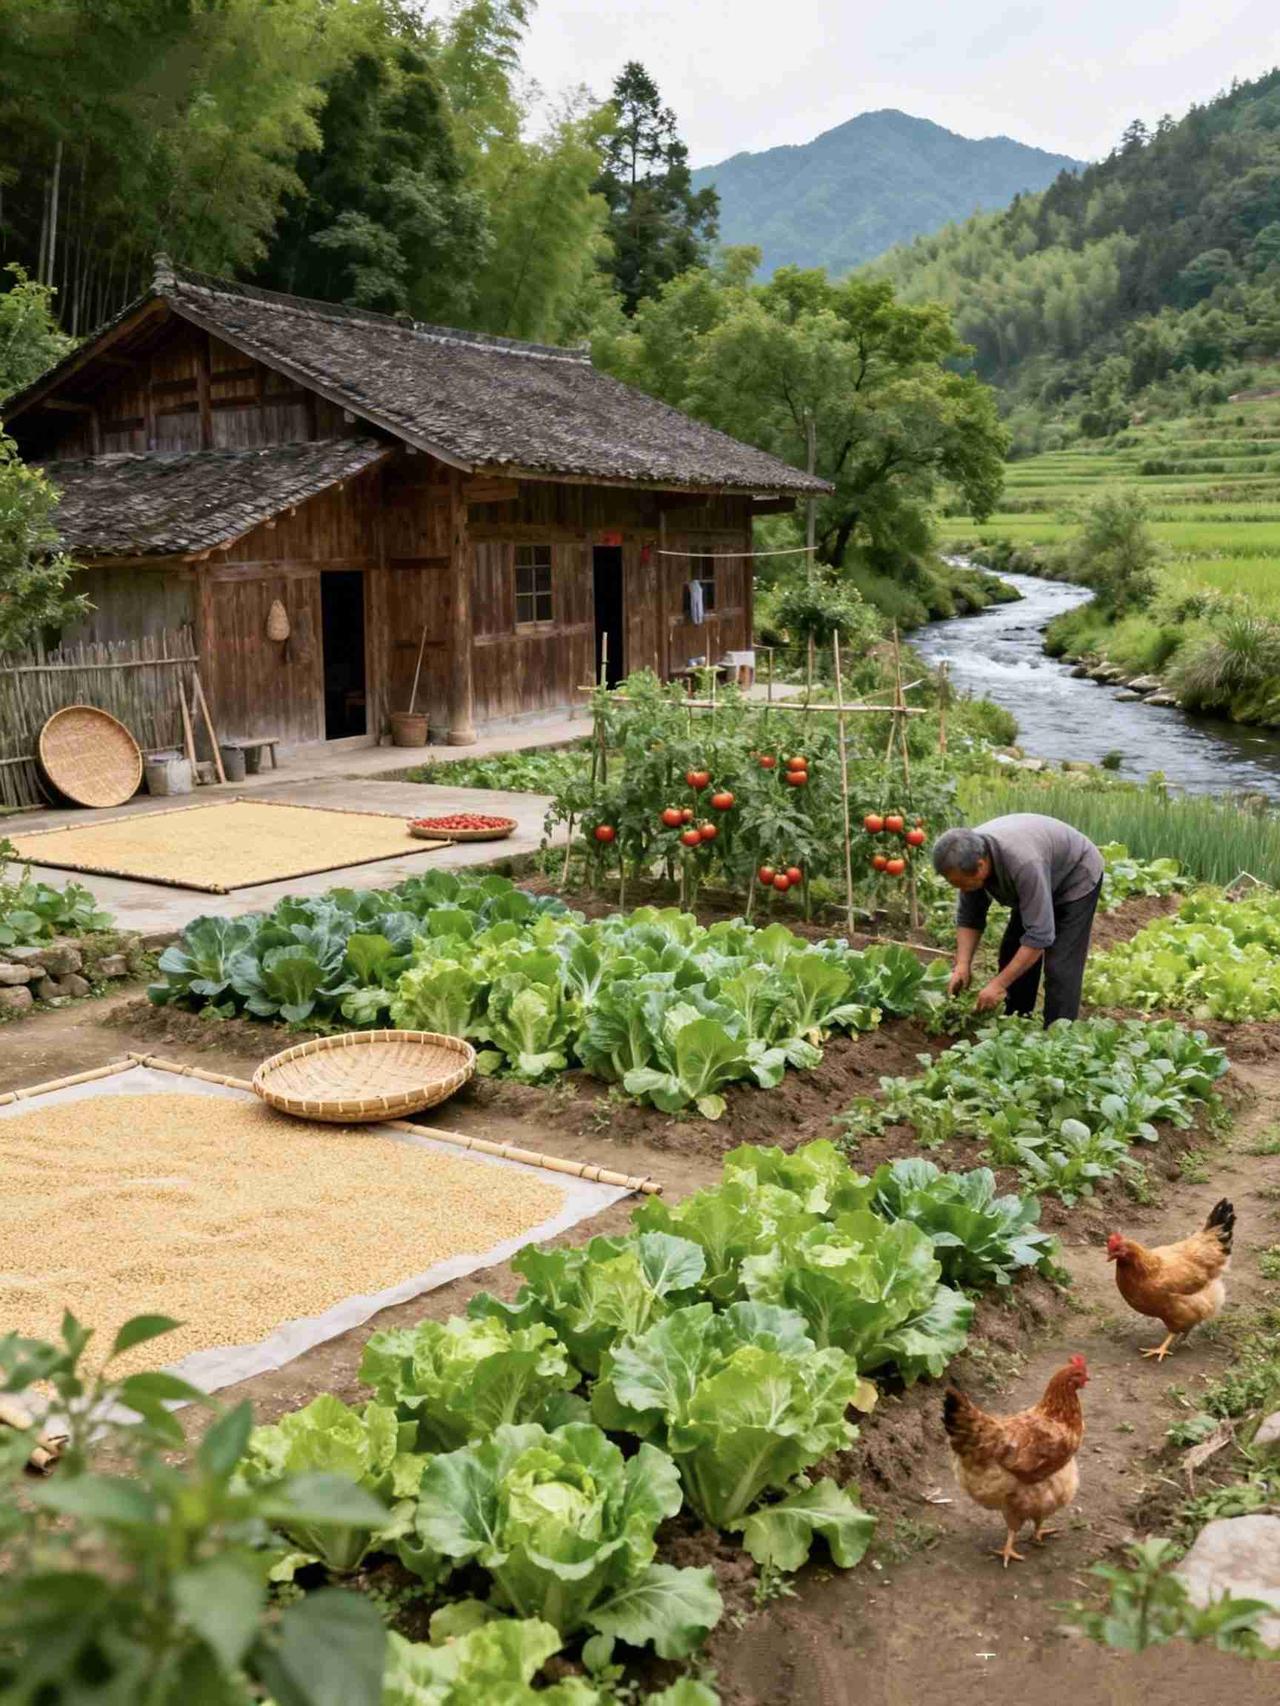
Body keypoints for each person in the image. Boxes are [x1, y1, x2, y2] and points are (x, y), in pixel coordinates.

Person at [932, 814, 1104, 1024]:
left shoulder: (1023, 863)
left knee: (1060, 967)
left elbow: (1040, 935)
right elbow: (970, 917)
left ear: (981, 865)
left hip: (1075, 876)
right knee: (1012, 950)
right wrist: (962, 965)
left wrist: (998, 985)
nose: (959, 889)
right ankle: (1017, 1020)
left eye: (961, 883)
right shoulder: (967, 858)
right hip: (1039, 874)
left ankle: (1059, 1034)